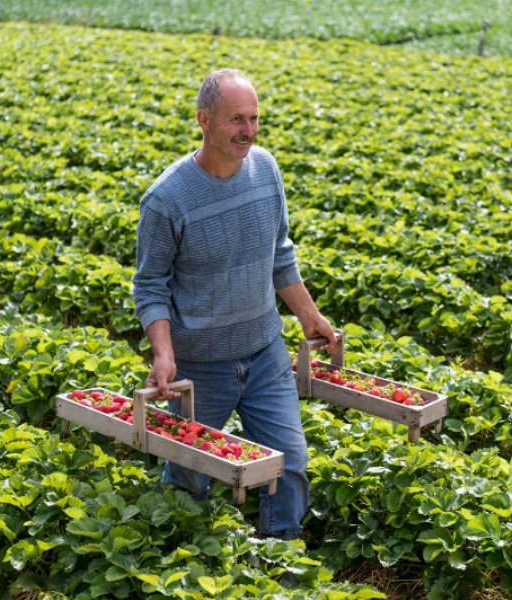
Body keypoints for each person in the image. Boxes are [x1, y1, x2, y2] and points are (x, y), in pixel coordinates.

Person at [132, 68, 336, 539]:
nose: (248, 130)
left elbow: (279, 254)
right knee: (189, 473)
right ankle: (183, 561)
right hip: (201, 367)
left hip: (265, 353)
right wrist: (163, 354)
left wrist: (309, 316)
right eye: (236, 120)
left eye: (254, 118)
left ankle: (281, 565)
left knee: (289, 463)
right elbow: (150, 285)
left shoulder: (266, 170)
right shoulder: (166, 199)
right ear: (204, 120)